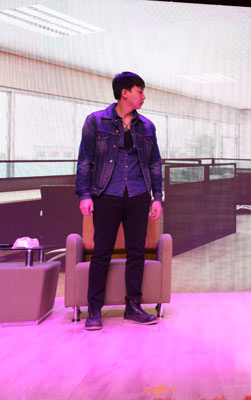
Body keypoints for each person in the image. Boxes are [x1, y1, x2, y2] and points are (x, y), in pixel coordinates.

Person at [75, 72, 163, 330]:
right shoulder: (96, 121)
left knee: (137, 252)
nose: (143, 97)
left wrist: (157, 197)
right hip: (106, 194)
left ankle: (133, 306)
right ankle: (94, 310)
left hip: (138, 194)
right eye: (140, 91)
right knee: (101, 252)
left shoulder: (147, 127)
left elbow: (154, 163)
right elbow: (85, 160)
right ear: (125, 93)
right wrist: (84, 194)